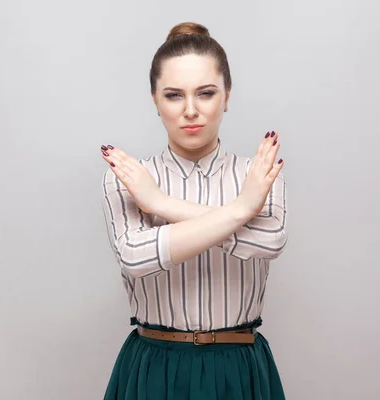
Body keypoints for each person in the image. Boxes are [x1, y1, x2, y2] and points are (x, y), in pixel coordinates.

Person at [99, 21, 288, 400]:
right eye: (173, 95)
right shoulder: (130, 177)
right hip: (155, 367)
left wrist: (161, 205)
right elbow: (134, 258)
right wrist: (241, 210)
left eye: (205, 93)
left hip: (239, 368)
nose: (190, 110)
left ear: (227, 96)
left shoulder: (259, 174)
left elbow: (269, 242)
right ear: (155, 99)